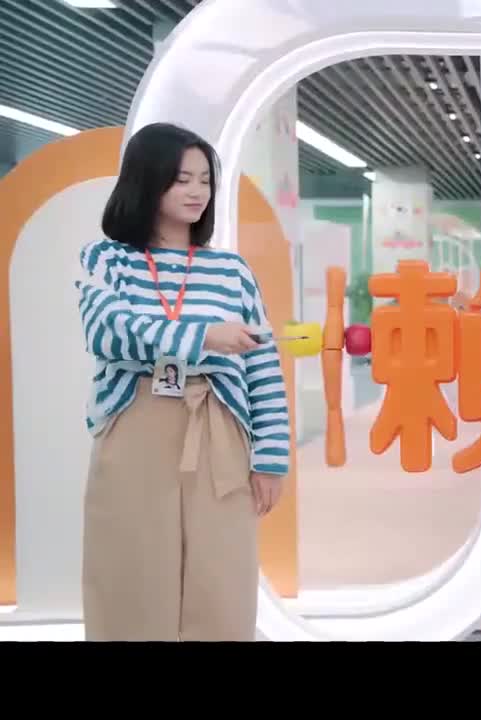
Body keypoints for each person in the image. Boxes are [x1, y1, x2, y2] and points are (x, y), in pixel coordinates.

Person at [76, 122, 291, 641]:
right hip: (134, 424)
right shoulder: (106, 259)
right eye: (181, 180)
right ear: (146, 181)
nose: (197, 192)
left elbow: (263, 366)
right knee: (131, 572)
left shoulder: (232, 271)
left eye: (204, 180)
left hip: (219, 428)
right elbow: (108, 332)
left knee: (222, 579)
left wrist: (271, 457)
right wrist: (206, 337)